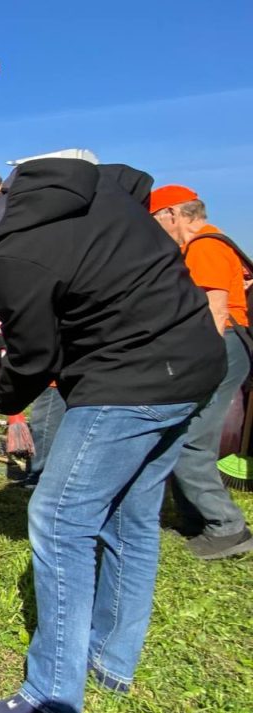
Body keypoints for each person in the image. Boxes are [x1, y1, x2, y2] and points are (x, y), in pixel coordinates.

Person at [0, 152, 224, 713]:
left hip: (130, 379)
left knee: (59, 519)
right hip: (195, 362)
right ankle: (110, 660)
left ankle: (48, 699)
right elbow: (139, 182)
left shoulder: (10, 253)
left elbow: (32, 358)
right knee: (130, 516)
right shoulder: (84, 183)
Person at [149, 184, 253, 559]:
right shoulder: (218, 242)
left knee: (190, 439)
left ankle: (227, 528)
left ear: (173, 214)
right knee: (191, 434)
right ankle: (196, 520)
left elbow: (215, 311)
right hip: (228, 345)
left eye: (155, 220)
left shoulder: (205, 246)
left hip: (219, 344)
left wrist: (195, 365)